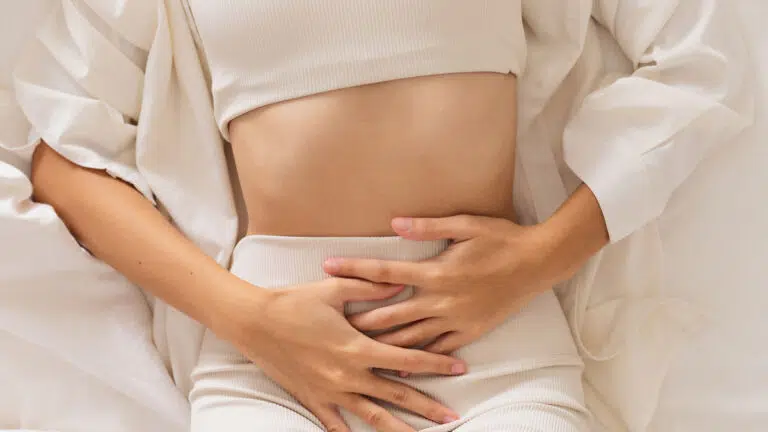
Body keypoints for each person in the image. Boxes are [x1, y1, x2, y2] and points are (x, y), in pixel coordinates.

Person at [11, 0, 751, 431]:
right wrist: (249, 320)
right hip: (271, 371)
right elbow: (64, 165)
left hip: (496, 358)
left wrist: (542, 258)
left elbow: (705, 59)